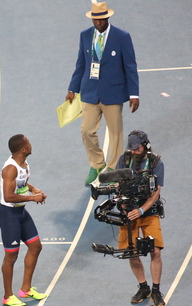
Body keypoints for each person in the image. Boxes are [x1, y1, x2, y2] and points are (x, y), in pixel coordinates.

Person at [65, 2, 139, 186]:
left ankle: (114, 167)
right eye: (94, 19)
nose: (97, 22)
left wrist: (134, 94)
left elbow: (130, 66)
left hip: (113, 93)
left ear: (107, 17)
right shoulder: (85, 36)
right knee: (86, 130)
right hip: (90, 92)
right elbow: (81, 64)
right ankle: (97, 164)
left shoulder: (122, 37)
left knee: (115, 133)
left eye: (100, 19)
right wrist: (72, 88)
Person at [0, 134, 48, 306]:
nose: (31, 144)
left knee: (35, 246)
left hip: (20, 212)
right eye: (28, 143)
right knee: (11, 255)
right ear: (23, 149)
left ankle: (25, 289)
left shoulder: (24, 164)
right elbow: (8, 196)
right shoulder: (10, 169)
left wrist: (34, 189)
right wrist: (33, 199)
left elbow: (23, 183)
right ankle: (7, 296)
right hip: (8, 215)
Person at [116, 130, 165, 306]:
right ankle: (144, 287)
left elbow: (155, 193)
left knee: (156, 251)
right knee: (132, 251)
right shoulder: (124, 159)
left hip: (149, 212)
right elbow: (117, 185)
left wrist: (141, 210)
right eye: (132, 149)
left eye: (137, 149)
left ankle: (157, 290)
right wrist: (122, 205)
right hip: (128, 212)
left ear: (145, 145)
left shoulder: (156, 163)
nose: (134, 152)